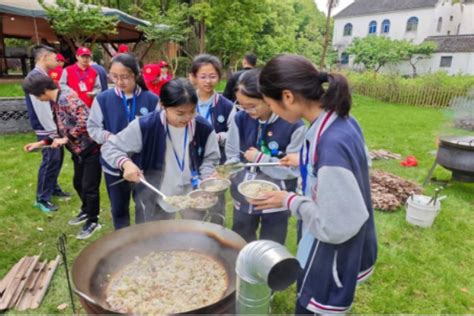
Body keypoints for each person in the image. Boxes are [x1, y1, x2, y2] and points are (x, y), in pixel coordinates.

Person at [251, 54, 378, 314]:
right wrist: (306, 161)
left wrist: (289, 201)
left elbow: (333, 226)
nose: (271, 110)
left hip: (330, 257)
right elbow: (351, 168)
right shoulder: (340, 121)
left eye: (269, 103)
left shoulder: (330, 143)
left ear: (287, 97)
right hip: (340, 247)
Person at [101, 79, 220, 221]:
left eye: (192, 111)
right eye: (180, 113)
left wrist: (207, 177)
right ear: (163, 106)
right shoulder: (146, 126)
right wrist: (126, 164)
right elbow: (109, 147)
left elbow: (210, 158)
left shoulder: (203, 128)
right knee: (160, 235)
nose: (187, 118)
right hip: (157, 193)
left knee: (194, 233)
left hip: (193, 194)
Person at [226, 69, 305, 244]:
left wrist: (260, 159)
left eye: (252, 105)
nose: (247, 111)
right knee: (241, 238)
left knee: (272, 242)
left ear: (268, 99)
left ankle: (269, 271)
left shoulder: (293, 124)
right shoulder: (240, 119)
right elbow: (232, 154)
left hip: (276, 197)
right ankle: (240, 269)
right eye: (242, 105)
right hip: (244, 193)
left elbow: (293, 169)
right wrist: (228, 170)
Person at [22, 74, 102, 240]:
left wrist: (67, 138)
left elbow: (86, 122)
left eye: (36, 95)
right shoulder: (56, 102)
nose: (37, 99)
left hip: (91, 150)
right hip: (77, 152)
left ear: (43, 90)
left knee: (89, 187)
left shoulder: (67, 98)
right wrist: (41, 143)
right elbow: (61, 129)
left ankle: (93, 221)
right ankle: (87, 211)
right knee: (78, 183)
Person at [87, 53, 160, 229]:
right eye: (114, 77)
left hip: (142, 166)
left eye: (125, 77)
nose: (120, 81)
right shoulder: (103, 99)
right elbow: (93, 128)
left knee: (144, 207)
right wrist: (112, 138)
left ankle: (142, 241)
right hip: (113, 165)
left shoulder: (151, 100)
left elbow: (158, 131)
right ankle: (123, 244)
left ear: (136, 75)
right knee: (118, 209)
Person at [23, 45, 70, 213]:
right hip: (47, 129)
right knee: (50, 161)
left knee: (57, 159)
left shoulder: (43, 75)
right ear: (43, 57)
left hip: (53, 127)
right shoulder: (35, 78)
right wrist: (53, 132)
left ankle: (53, 188)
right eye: (53, 57)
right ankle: (42, 198)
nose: (56, 60)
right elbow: (41, 110)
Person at [190, 54, 235, 224]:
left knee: (216, 199)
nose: (208, 81)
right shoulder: (187, 101)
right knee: (193, 202)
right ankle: (194, 233)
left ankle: (217, 233)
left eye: (212, 76)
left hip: (217, 160)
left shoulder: (226, 106)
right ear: (194, 77)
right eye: (203, 76)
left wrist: (219, 137)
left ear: (219, 76)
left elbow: (233, 134)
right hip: (191, 160)